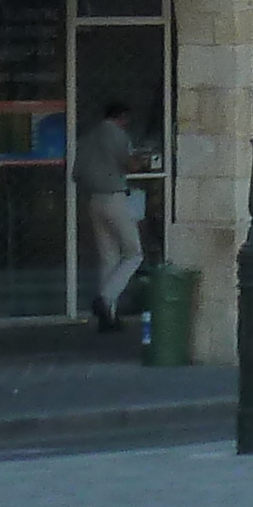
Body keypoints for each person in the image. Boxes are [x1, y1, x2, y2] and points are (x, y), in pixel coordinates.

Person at [75, 98, 147, 332]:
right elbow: (129, 165)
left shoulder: (87, 138)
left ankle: (109, 318)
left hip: (94, 199)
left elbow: (76, 173)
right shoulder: (118, 135)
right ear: (122, 117)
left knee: (108, 257)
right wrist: (141, 160)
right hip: (115, 197)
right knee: (134, 253)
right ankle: (105, 299)